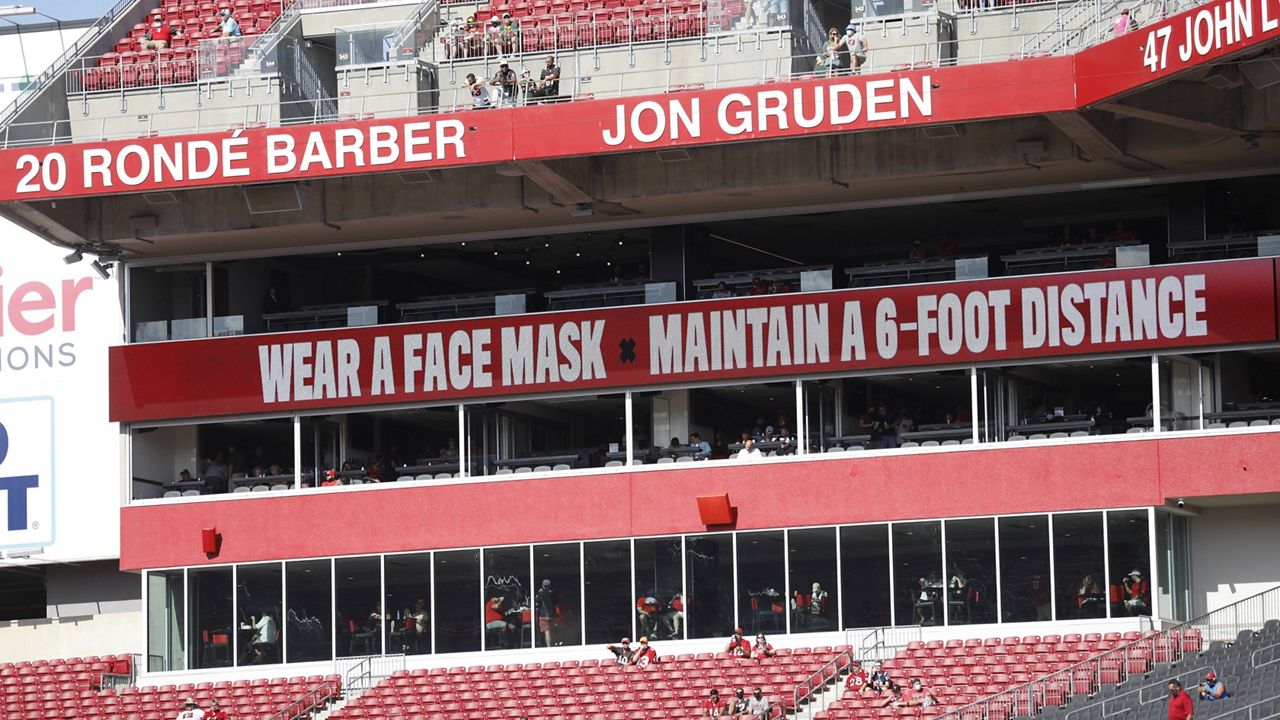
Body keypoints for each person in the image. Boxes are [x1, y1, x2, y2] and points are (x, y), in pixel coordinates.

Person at [535, 579, 559, 647]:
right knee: (552, 631)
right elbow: (557, 602)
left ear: (543, 585)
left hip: (543, 615)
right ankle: (554, 644)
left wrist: (539, 594)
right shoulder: (553, 593)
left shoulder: (541, 593)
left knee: (547, 631)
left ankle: (549, 647)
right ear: (550, 585)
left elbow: (537, 602)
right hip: (552, 614)